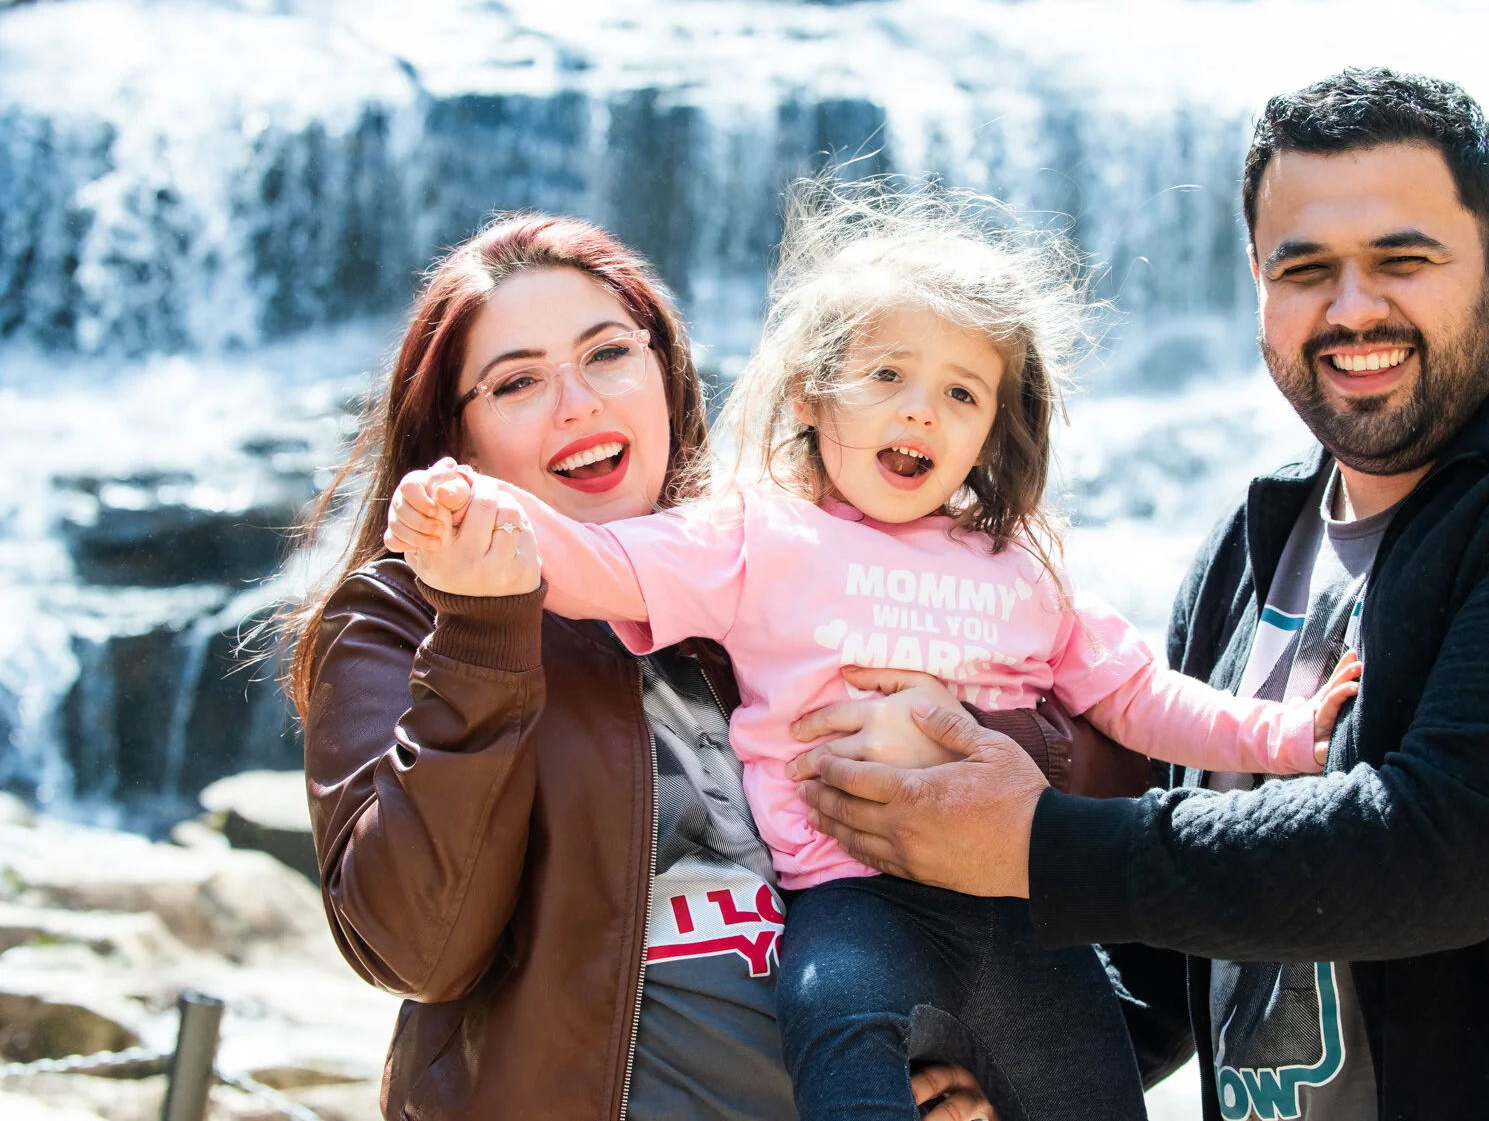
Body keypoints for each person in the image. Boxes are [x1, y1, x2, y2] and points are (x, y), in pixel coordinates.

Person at [795, 68, 1489, 1119]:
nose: (1352, 308)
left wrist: (1032, 843)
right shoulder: (1249, 548)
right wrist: (1002, 1078)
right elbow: (1185, 927)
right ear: (1258, 284)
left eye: (1402, 260)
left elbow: (1435, 850)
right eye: (1306, 269)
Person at [384, 182, 1361, 1121]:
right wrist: (478, 516)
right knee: (837, 1025)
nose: (919, 410)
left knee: (1092, 1092)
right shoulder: (756, 535)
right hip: (849, 899)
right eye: (886, 375)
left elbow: (1143, 702)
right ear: (811, 395)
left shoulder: (1027, 570)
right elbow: (600, 566)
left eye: (960, 392)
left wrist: (1288, 737)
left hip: (1015, 900)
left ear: (991, 431)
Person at [284, 212, 1079, 1121]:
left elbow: (1071, 823)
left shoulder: (780, 563)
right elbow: (414, 946)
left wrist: (946, 1063)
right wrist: (482, 628)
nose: (578, 403)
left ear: (666, 376)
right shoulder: (398, 616)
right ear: (459, 448)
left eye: (608, 355)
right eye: (518, 382)